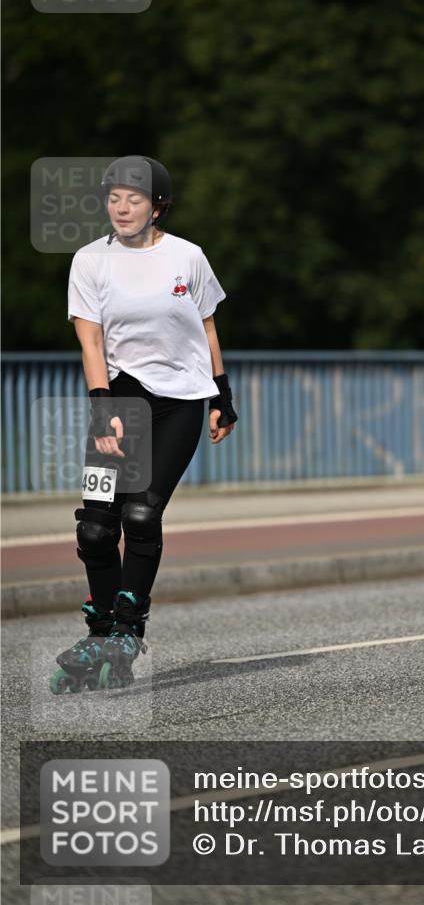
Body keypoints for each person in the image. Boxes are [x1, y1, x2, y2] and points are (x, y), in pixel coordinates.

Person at [49, 155, 238, 693]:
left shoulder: (188, 256)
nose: (123, 208)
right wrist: (101, 404)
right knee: (95, 526)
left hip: (181, 399)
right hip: (119, 396)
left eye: (134, 200)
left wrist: (222, 395)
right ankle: (101, 629)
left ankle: (129, 629)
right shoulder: (89, 261)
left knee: (140, 510)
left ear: (157, 206)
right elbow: (90, 340)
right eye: (114, 199)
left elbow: (207, 326)